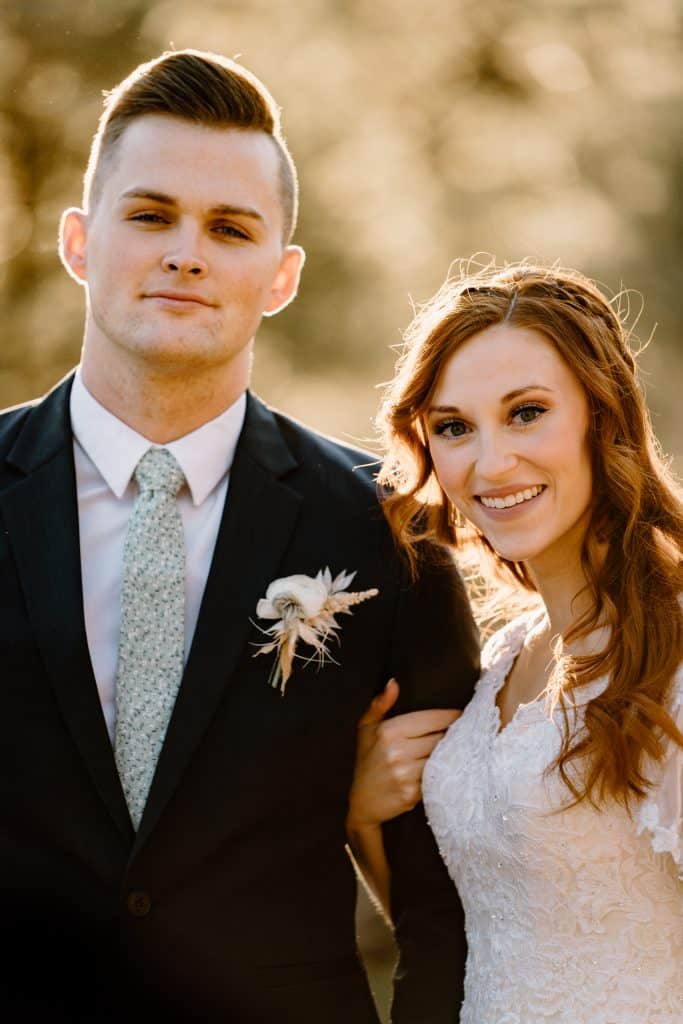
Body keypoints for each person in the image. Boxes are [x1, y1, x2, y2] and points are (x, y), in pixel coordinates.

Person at [0, 50, 480, 1023]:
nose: (187, 252)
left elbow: (446, 911)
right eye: (150, 215)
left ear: (280, 275)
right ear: (80, 242)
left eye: (229, 228)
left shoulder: (390, 528)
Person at [347, 263, 683, 1023]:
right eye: (454, 427)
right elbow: (467, 919)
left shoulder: (674, 649)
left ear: (604, 415)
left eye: (526, 412)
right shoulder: (506, 657)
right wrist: (360, 810)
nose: (489, 464)